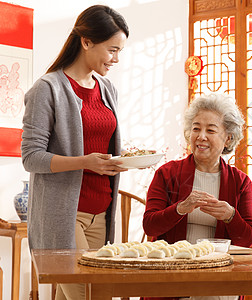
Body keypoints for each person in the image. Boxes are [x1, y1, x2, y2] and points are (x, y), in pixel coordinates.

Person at [21, 5, 129, 300]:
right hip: (65, 216)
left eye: (120, 51)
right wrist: (85, 163)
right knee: (89, 295)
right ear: (86, 41)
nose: (116, 59)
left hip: (102, 214)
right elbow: (31, 156)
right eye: (112, 49)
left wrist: (119, 161)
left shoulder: (107, 89)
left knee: (87, 294)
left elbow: (103, 144)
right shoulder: (47, 88)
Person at [142, 94, 252, 300]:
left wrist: (231, 215)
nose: (201, 136)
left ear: (228, 138)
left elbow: (247, 239)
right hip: (173, 272)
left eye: (210, 130)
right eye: (196, 128)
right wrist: (180, 208)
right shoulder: (167, 174)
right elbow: (150, 226)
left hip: (219, 274)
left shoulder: (240, 182)